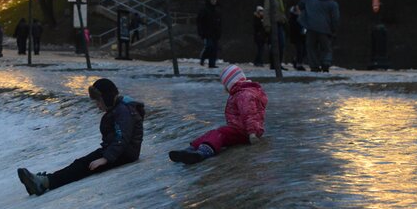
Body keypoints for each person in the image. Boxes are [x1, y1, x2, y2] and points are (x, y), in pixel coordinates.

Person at [17, 78, 145, 196]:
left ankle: (44, 183)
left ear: (107, 98)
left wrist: (105, 159)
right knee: (80, 163)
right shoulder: (118, 108)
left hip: (123, 155)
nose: (98, 105)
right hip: (116, 152)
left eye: (98, 101)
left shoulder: (123, 111)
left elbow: (122, 138)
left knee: (82, 166)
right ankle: (44, 181)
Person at [168, 65, 267, 164]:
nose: (224, 89)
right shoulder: (240, 93)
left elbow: (249, 114)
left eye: (225, 85)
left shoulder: (244, 95)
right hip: (240, 130)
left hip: (245, 132)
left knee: (220, 133)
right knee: (213, 133)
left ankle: (203, 152)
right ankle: (190, 149)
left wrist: (252, 133)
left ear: (231, 83)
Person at [300, 0, 340, 73]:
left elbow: (300, 4)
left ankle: (314, 66)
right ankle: (326, 63)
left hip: (310, 28)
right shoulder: (333, 4)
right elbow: (335, 18)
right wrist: (334, 30)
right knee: (326, 48)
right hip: (325, 30)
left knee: (311, 48)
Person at [262, 0, 287, 69]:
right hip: (273, 25)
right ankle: (274, 64)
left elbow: (280, 12)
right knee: (276, 45)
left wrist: (284, 19)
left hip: (280, 24)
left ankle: (278, 63)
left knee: (281, 44)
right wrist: (267, 25)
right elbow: (266, 11)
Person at [196, 0, 221, 68]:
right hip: (207, 32)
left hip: (215, 32)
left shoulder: (217, 10)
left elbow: (219, 22)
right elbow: (199, 21)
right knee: (209, 47)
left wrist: (219, 31)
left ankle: (212, 64)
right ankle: (202, 58)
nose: (214, 1)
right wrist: (201, 32)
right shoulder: (204, 9)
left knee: (214, 49)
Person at [287, 4, 307, 70]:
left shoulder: (301, 18)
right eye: (297, 10)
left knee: (304, 50)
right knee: (300, 50)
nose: (299, 11)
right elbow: (294, 28)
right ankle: (299, 64)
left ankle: (296, 60)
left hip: (302, 36)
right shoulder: (293, 19)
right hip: (297, 37)